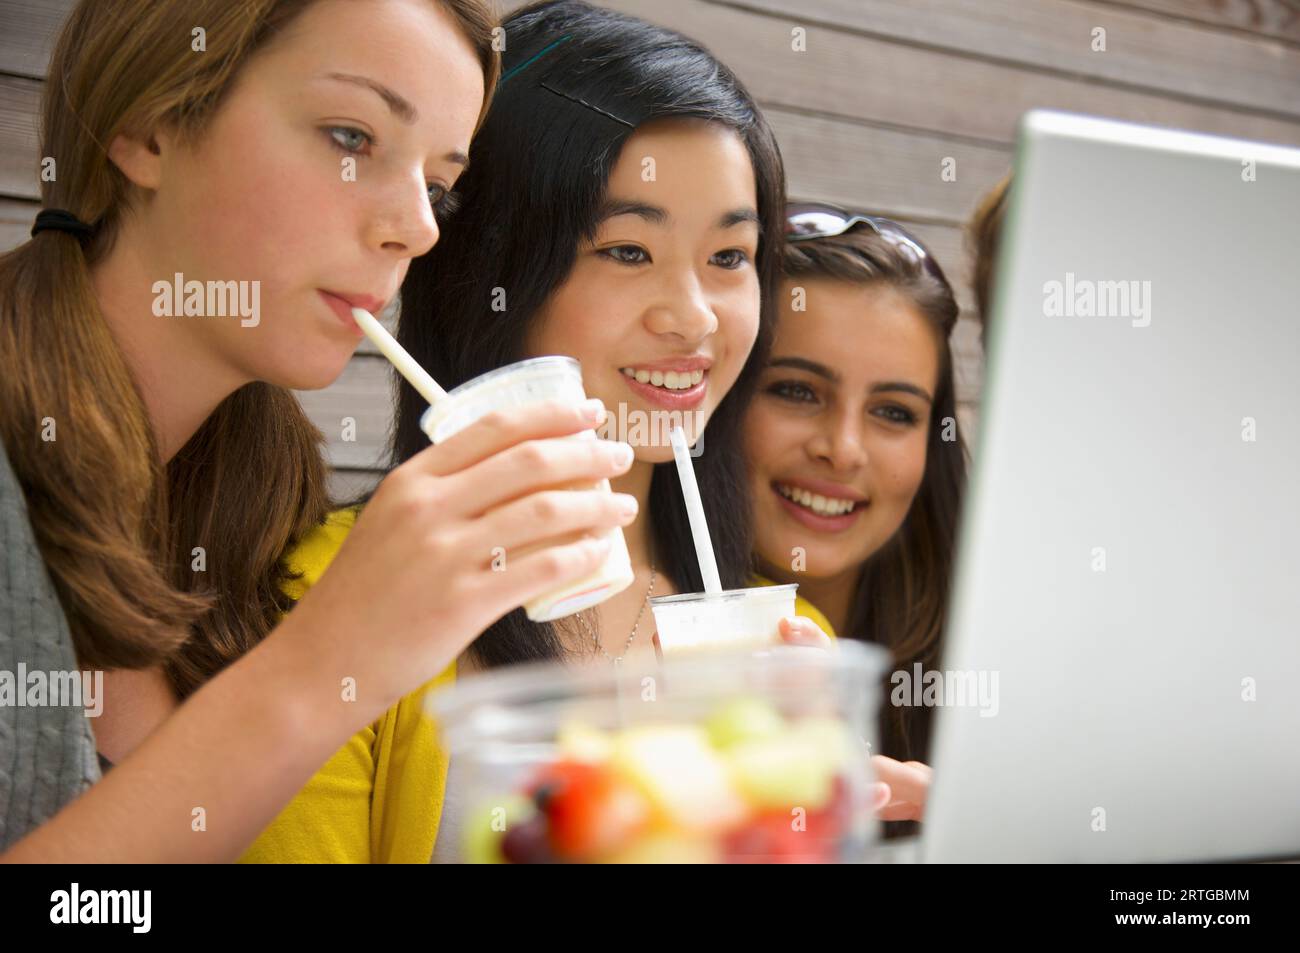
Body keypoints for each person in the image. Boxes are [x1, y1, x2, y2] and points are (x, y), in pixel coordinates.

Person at [0, 0, 636, 862]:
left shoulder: (256, 516)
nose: (416, 228)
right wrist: (326, 664)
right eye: (351, 138)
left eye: (439, 186)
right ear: (149, 128)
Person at [742, 203, 968, 833]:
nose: (842, 449)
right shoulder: (646, 654)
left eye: (894, 412)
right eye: (796, 390)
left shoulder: (989, 672)